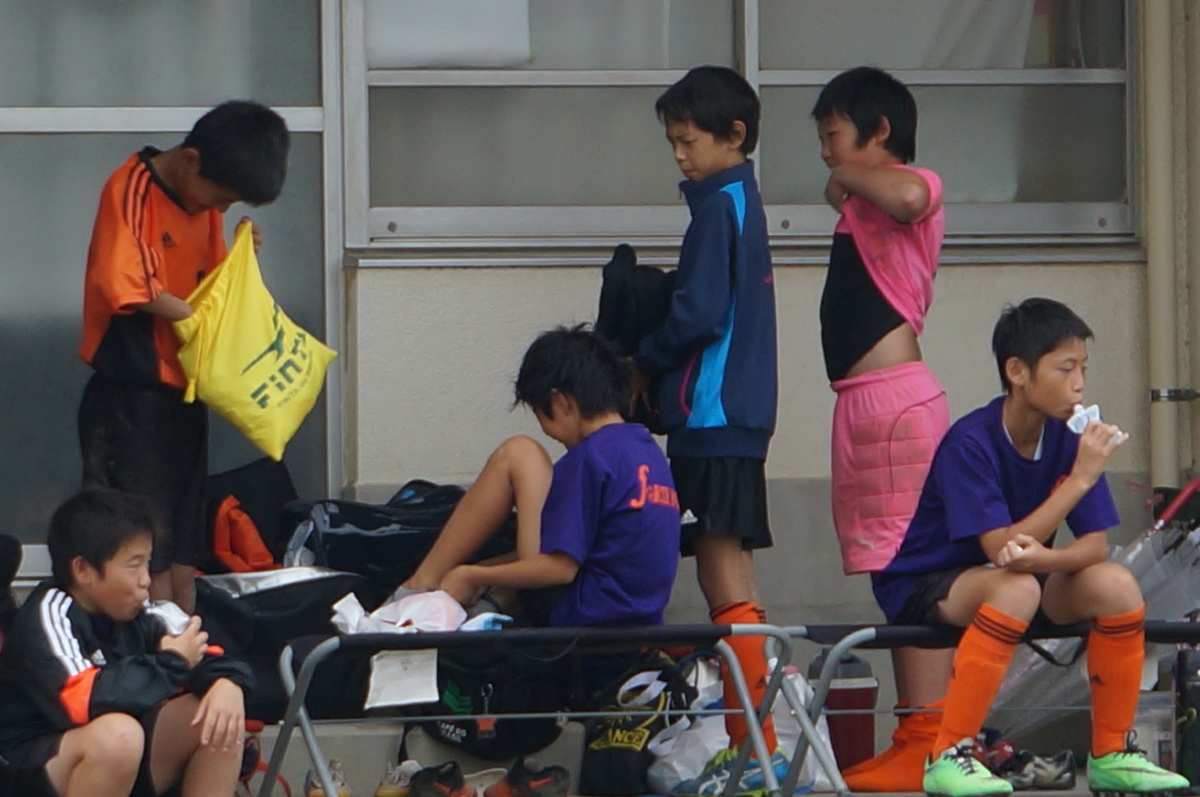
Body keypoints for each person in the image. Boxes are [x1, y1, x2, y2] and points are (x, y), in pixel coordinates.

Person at [873, 298, 1188, 797]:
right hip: (928, 584)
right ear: (1017, 372)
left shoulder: (1068, 437)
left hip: (1020, 578)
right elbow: (1001, 549)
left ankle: (1111, 752)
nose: (1079, 384)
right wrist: (1079, 480)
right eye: (1065, 369)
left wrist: (1046, 559)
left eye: (1083, 368)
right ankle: (949, 754)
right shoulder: (970, 442)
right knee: (1016, 588)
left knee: (1115, 584)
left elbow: (1094, 547)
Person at [633, 65, 783, 797]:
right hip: (738, 421)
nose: (679, 155)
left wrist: (643, 359)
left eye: (687, 140)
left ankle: (756, 750)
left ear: (735, 135)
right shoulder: (742, 201)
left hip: (712, 418)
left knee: (723, 582)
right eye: (672, 141)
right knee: (737, 583)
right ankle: (757, 744)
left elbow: (696, 316)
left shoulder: (717, 209)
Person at [77, 100, 290, 614]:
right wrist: (194, 316)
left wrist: (243, 258)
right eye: (221, 199)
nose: (220, 211)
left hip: (186, 389)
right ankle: (150, 633)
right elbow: (125, 284)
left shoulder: (204, 209)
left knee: (183, 536)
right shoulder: (133, 188)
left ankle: (186, 625)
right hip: (131, 394)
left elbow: (212, 284)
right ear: (191, 161)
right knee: (140, 534)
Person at [811, 65, 953, 790]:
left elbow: (906, 194)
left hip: (894, 405)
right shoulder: (866, 201)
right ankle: (918, 734)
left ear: (880, 131)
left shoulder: (912, 185)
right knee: (891, 566)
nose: (826, 153)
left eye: (833, 135)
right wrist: (845, 181)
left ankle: (926, 737)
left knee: (912, 567)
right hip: (868, 404)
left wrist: (848, 175)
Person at [400, 326, 681, 634]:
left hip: (584, 617)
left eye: (540, 416)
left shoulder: (590, 457)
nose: (550, 434)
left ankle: (417, 589)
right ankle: (464, 594)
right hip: (639, 622)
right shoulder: (646, 450)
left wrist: (470, 575)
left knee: (518, 453)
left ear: (560, 402)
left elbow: (559, 568)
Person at [0, 488, 253, 797]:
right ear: (83, 570)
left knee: (216, 716)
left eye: (148, 563)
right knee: (119, 737)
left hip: (116, 767)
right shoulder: (50, 613)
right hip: (30, 769)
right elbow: (82, 700)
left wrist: (227, 684)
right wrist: (172, 663)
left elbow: (205, 652)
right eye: (134, 565)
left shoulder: (139, 613)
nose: (146, 579)